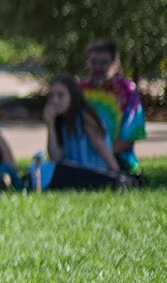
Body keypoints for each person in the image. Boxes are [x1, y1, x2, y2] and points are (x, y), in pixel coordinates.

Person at [36, 75, 122, 190]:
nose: (54, 101)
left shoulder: (85, 118)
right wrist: (50, 126)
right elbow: (55, 158)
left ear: (73, 96)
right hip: (73, 175)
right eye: (52, 96)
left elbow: (103, 149)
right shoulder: (60, 121)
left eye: (61, 95)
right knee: (42, 169)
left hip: (94, 174)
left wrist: (118, 175)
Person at [79, 38, 147, 177]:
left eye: (104, 63)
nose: (97, 68)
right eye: (93, 63)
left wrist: (100, 156)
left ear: (116, 65)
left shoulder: (127, 92)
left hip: (119, 160)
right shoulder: (80, 90)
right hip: (82, 160)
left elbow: (129, 137)